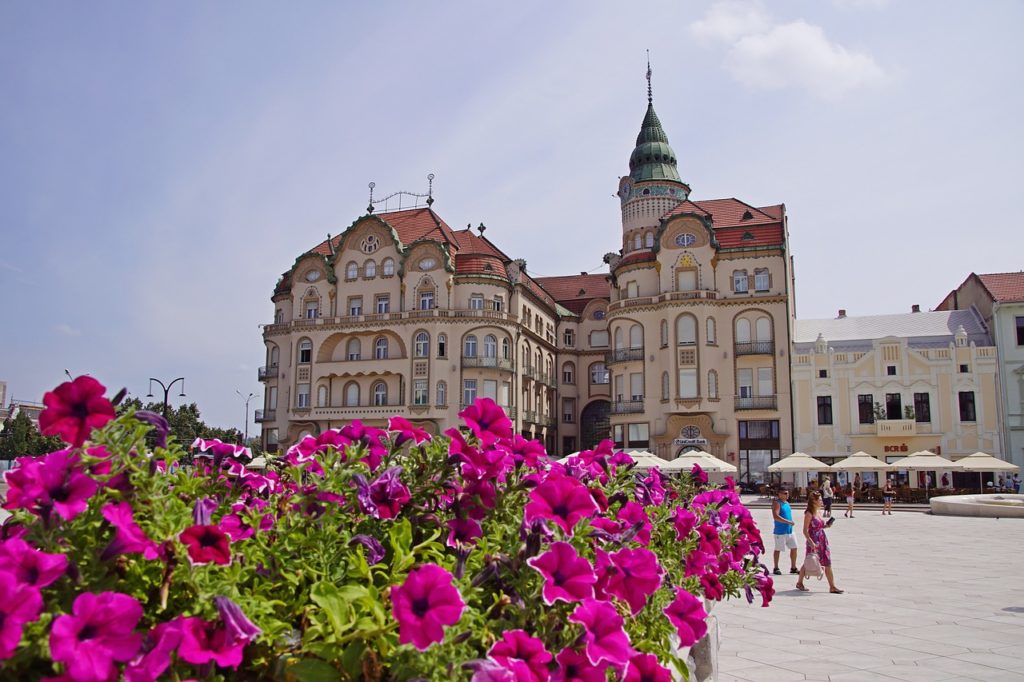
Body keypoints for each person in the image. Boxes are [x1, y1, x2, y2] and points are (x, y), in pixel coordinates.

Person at [796, 490, 843, 594]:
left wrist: (827, 525)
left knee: (827, 562)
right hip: (813, 540)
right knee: (810, 560)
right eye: (820, 500)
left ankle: (832, 586)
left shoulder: (818, 512)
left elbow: (820, 526)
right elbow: (804, 530)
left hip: (822, 539)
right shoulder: (809, 513)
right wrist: (811, 542)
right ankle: (799, 582)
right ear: (814, 501)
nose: (822, 502)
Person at [771, 489, 799, 576]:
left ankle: (793, 567)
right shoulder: (777, 503)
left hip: (789, 530)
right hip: (780, 531)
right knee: (778, 549)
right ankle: (776, 567)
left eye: (788, 493)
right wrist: (788, 522)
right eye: (785, 493)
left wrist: (789, 523)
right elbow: (776, 516)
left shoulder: (787, 503)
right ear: (779, 494)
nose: (787, 495)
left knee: (794, 548)